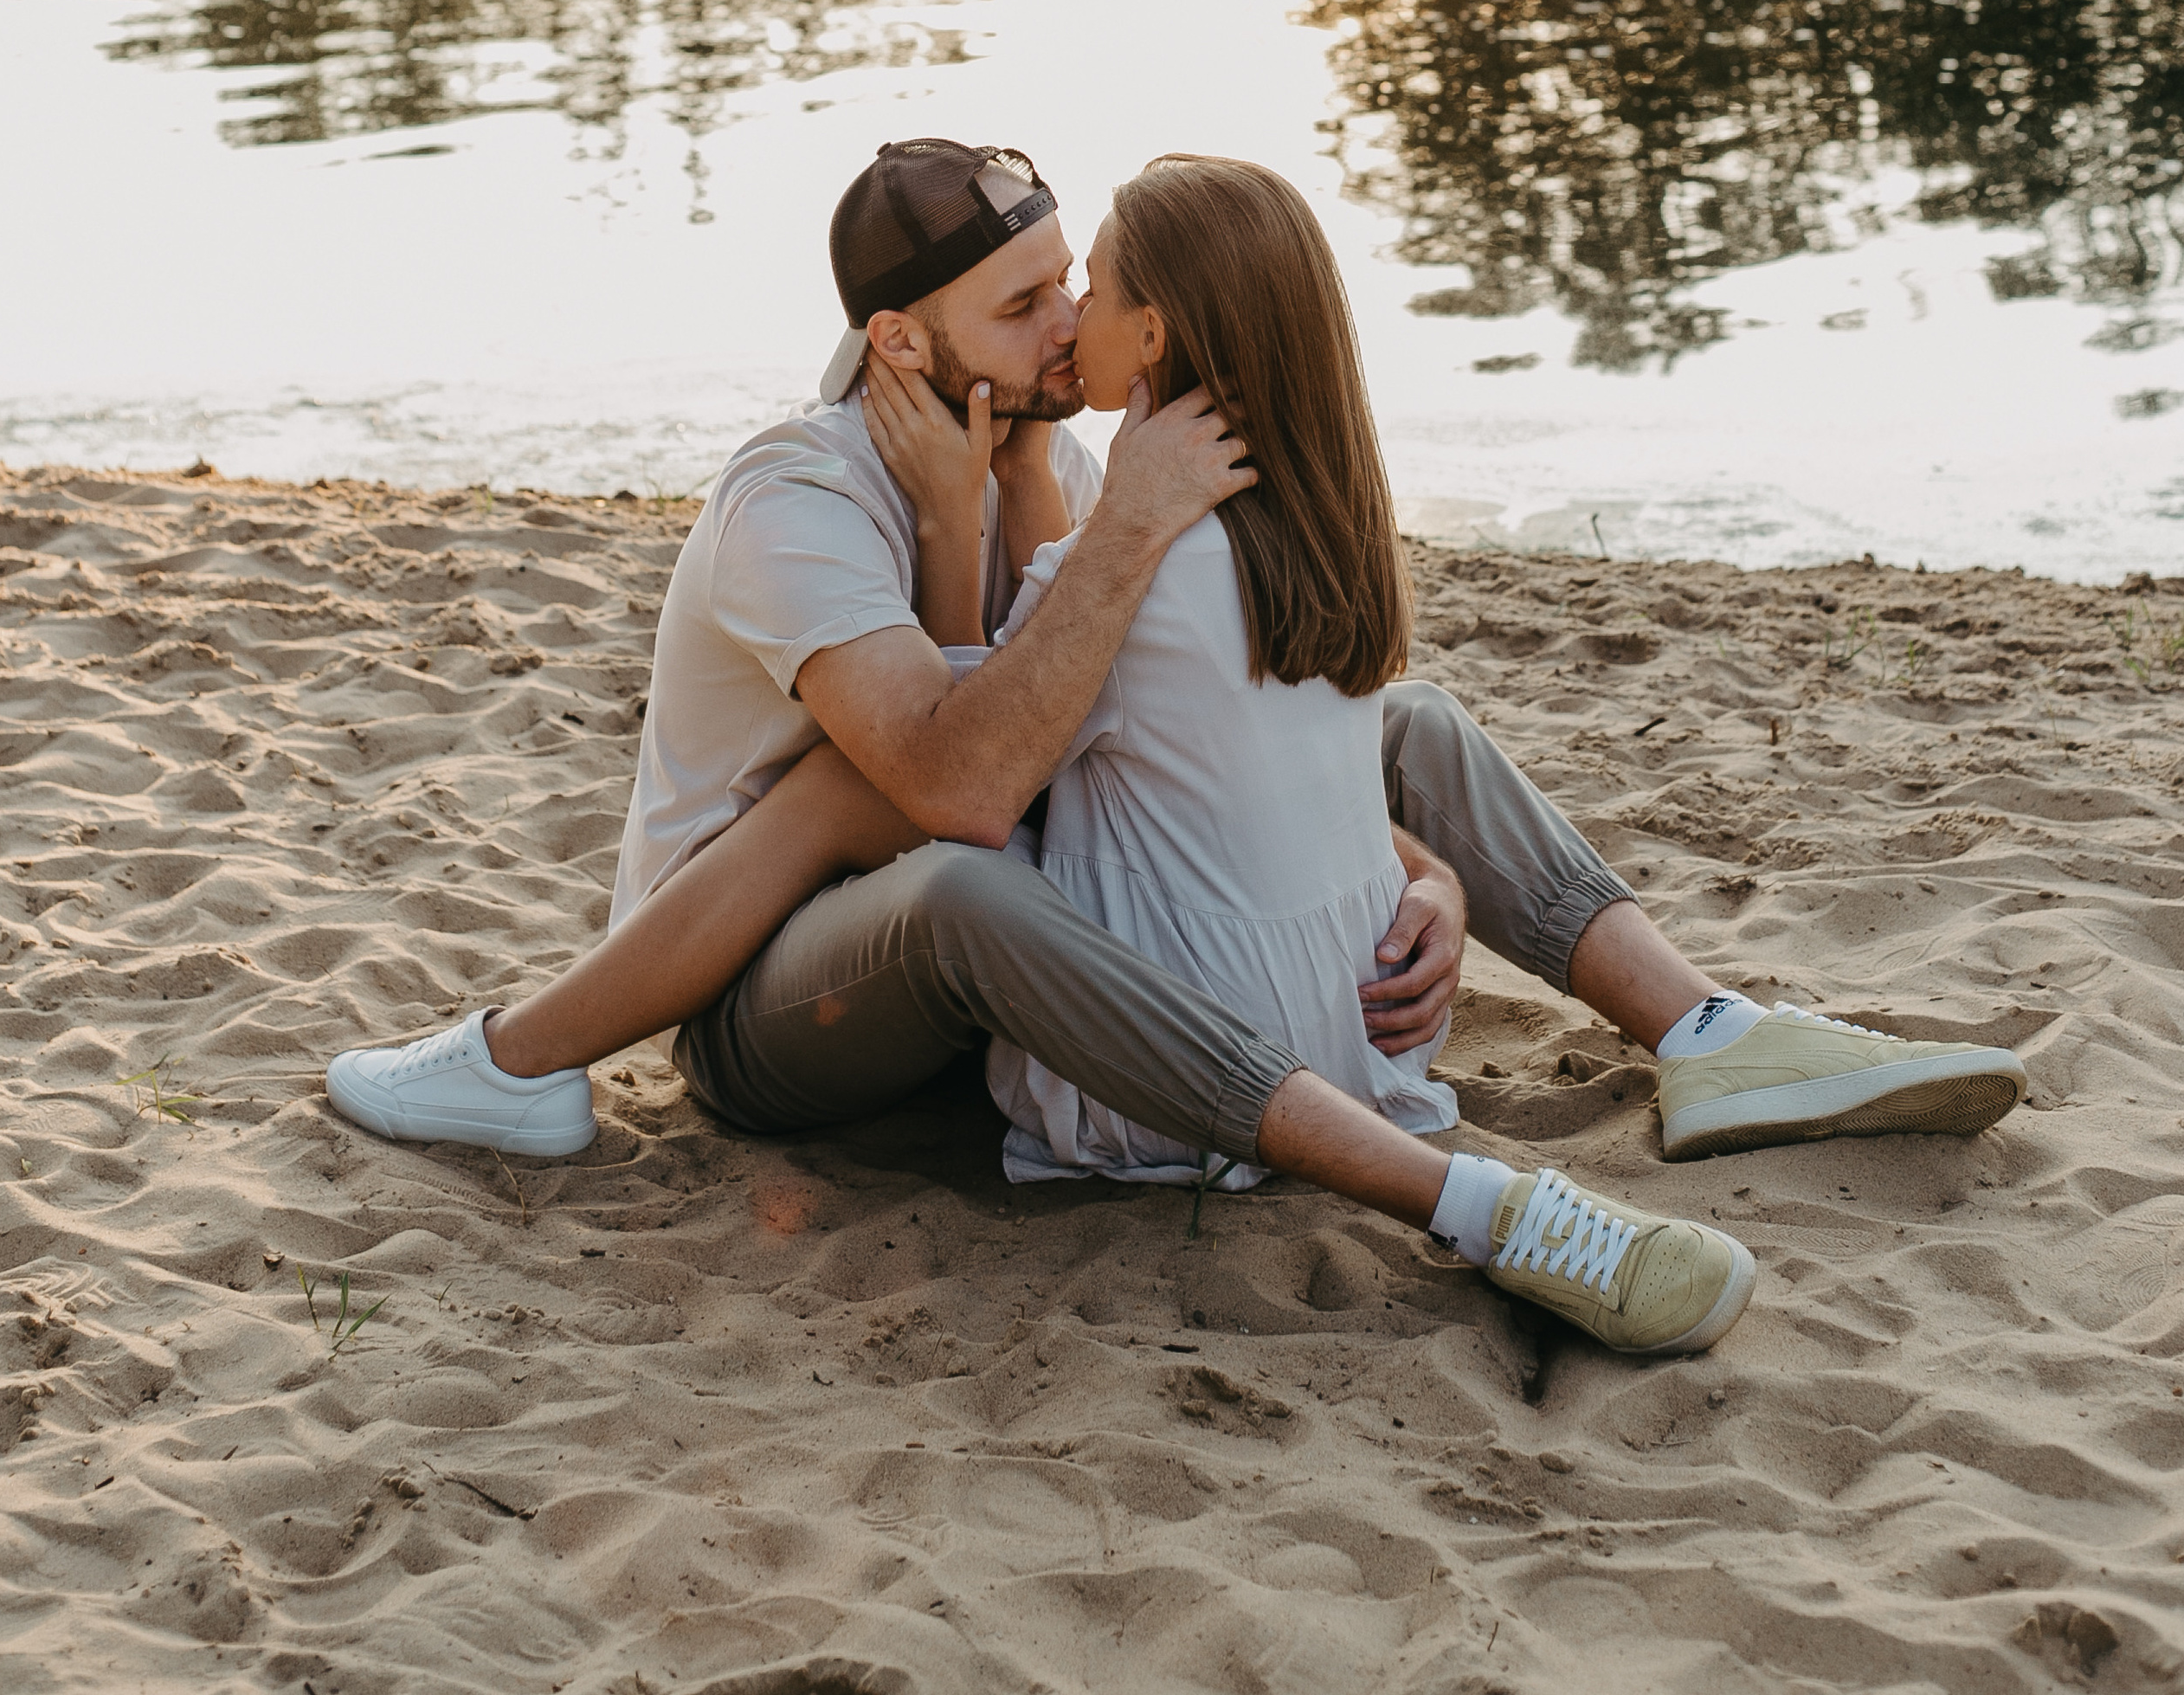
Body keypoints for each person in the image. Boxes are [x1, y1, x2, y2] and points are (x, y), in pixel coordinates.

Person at [327, 136, 2027, 1362]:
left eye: (1075, 283)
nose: (1065, 324)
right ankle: (527, 1056)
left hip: (963, 904)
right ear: (905, 343)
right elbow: (958, 776)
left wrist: (1406, 864)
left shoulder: (1016, 450)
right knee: (909, 829)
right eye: (1024, 303)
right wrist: (1074, 522)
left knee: (1405, 723)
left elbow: (1143, 724)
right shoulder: (798, 498)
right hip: (772, 991)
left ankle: (1709, 1031)